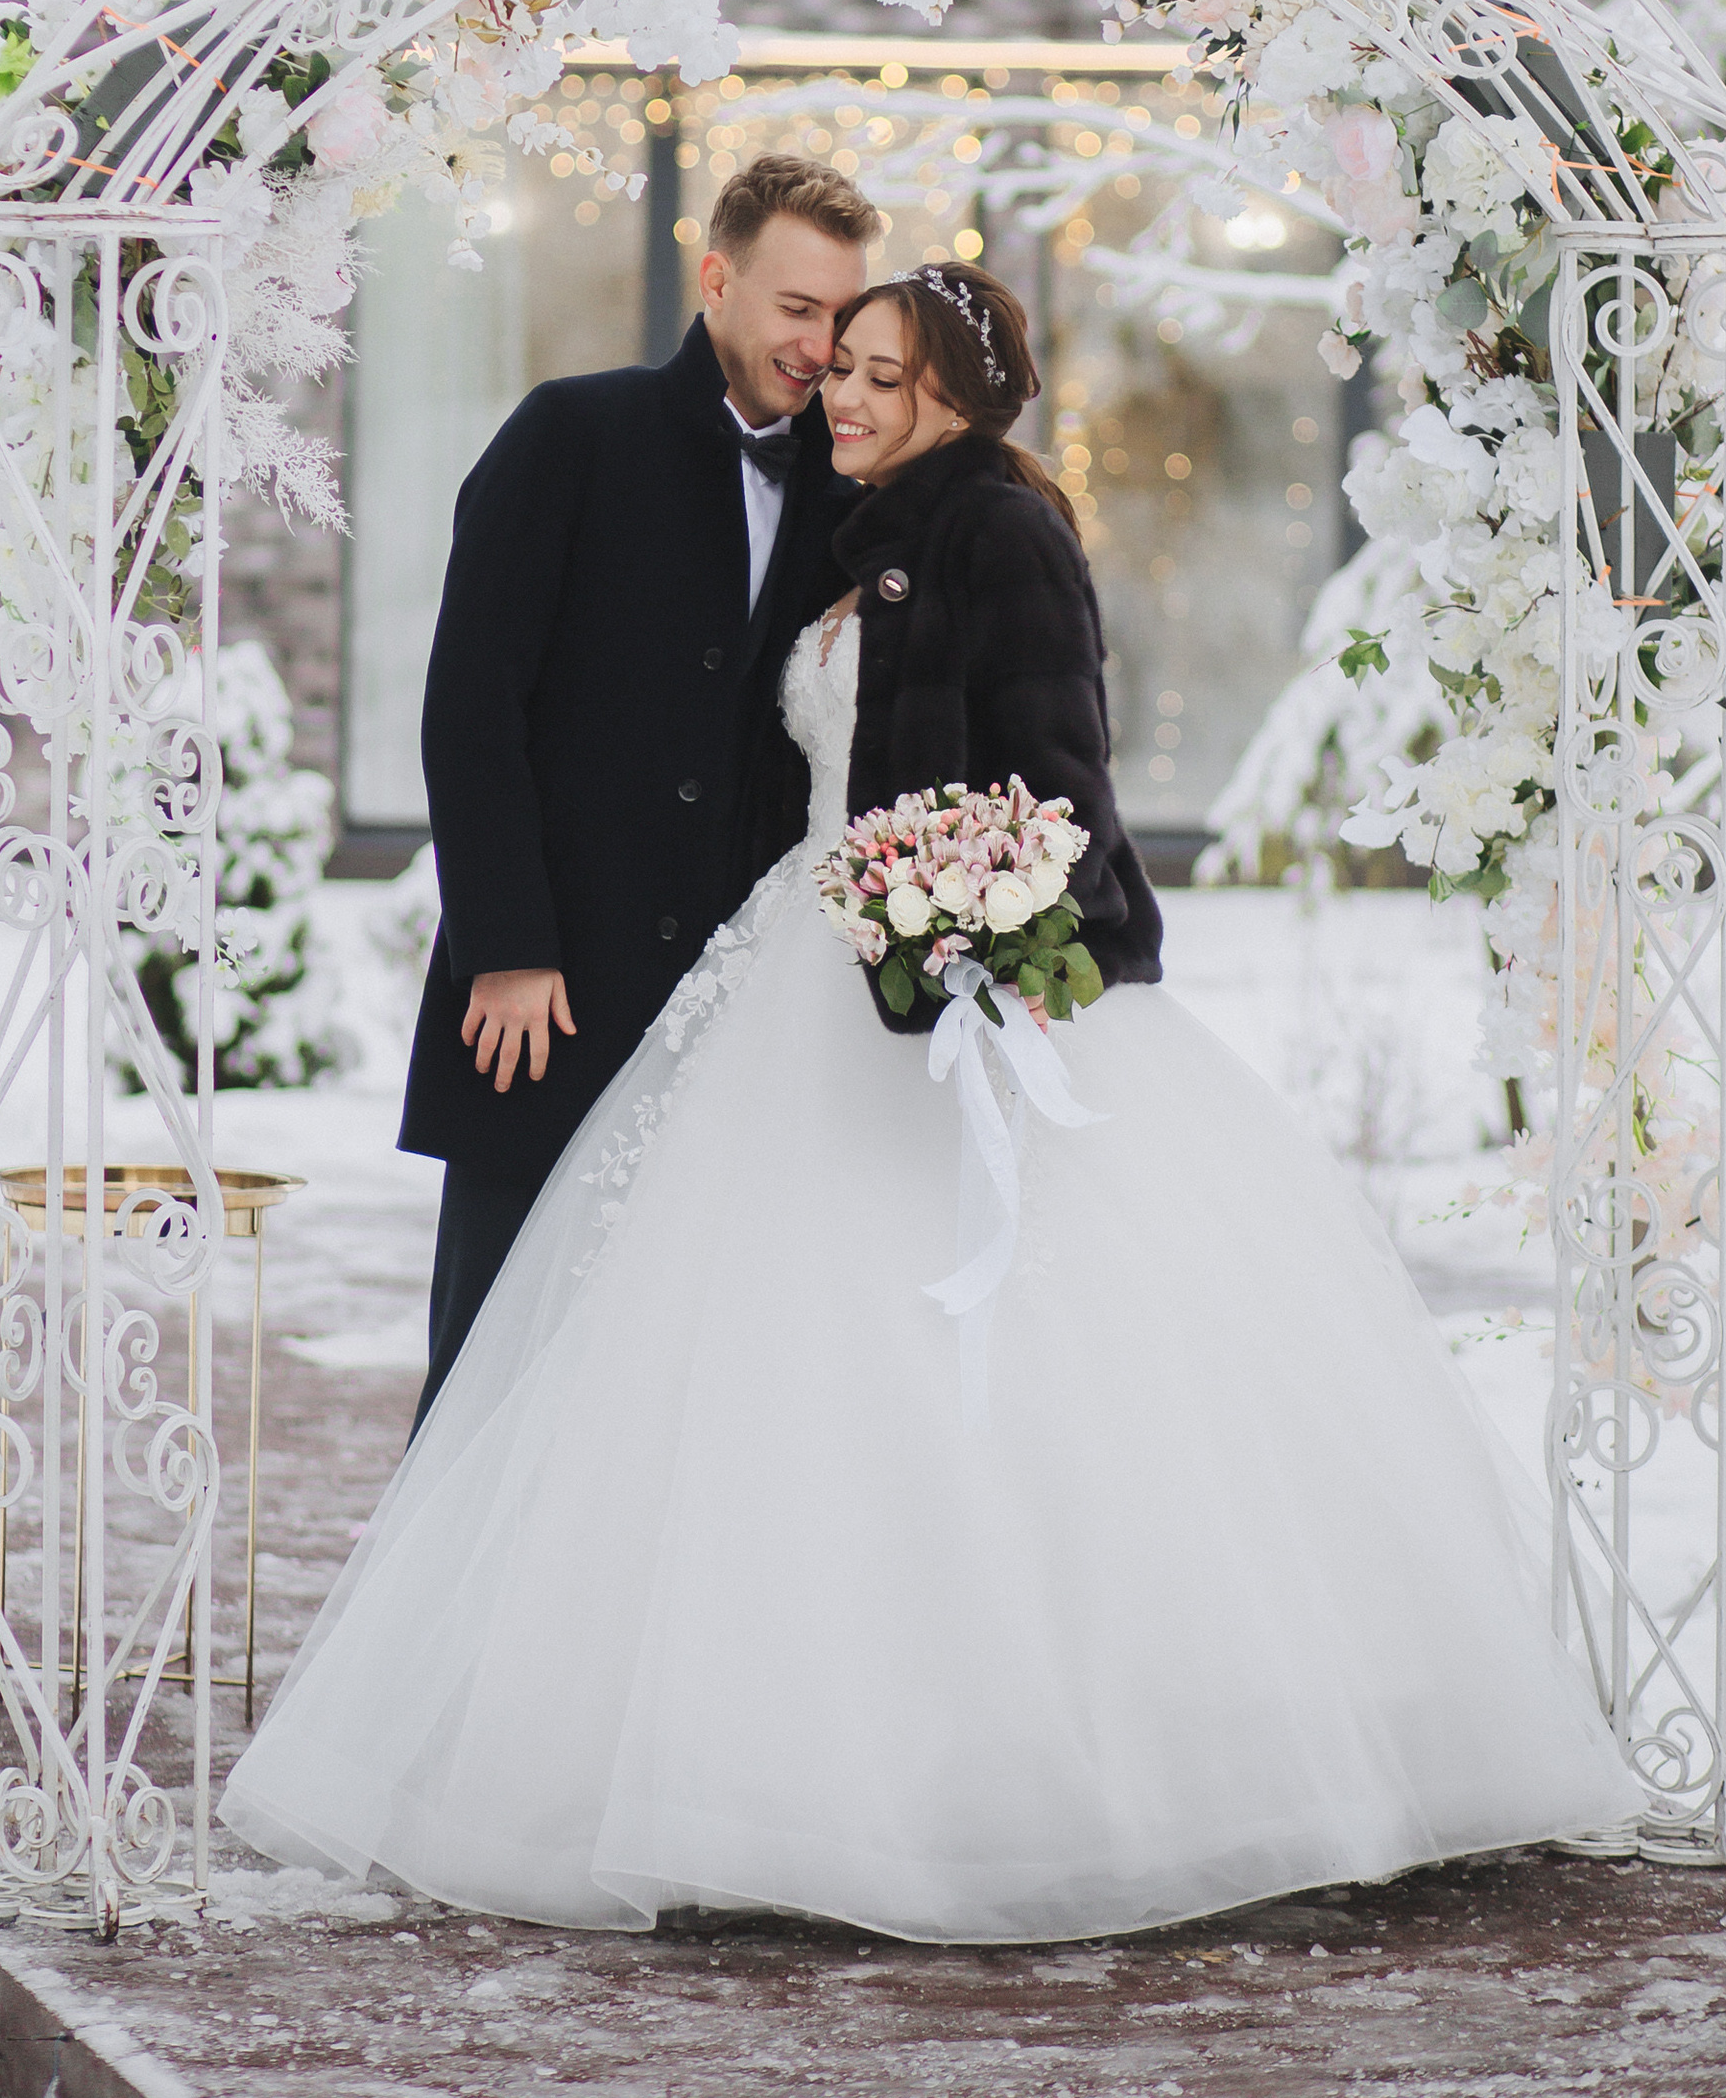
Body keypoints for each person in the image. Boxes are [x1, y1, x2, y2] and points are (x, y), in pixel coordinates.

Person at [225, 263, 1634, 1941]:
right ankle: (789, 1749)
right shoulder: (868, 525)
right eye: (845, 369)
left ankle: (1055, 1763)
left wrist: (975, 916)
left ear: (963, 391)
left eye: (886, 374)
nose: (848, 394)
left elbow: (1062, 783)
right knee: (784, 1373)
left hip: (950, 983)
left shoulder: (999, 531)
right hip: (811, 981)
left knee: (1022, 1369)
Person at [397, 154, 876, 1415]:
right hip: (546, 1004)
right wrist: (506, 947)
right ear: (716, 279)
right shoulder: (570, 433)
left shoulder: (852, 495)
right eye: (795, 308)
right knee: (491, 1383)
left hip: (729, 1026)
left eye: (840, 314)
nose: (820, 345)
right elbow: (468, 709)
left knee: (669, 1407)